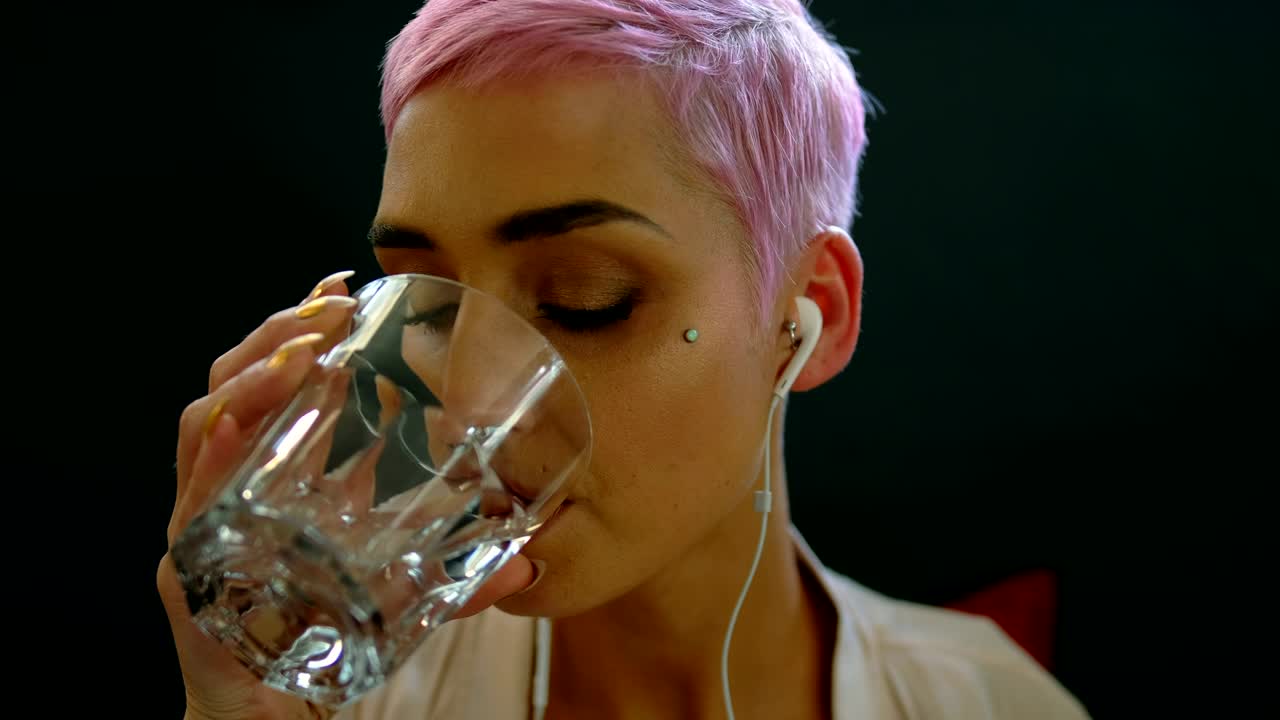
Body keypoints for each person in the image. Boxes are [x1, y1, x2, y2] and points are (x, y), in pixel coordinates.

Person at [158, 1, 1090, 718]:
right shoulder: (345, 683)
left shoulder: (987, 700)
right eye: (427, 304)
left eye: (584, 299)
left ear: (811, 318)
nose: (464, 401)